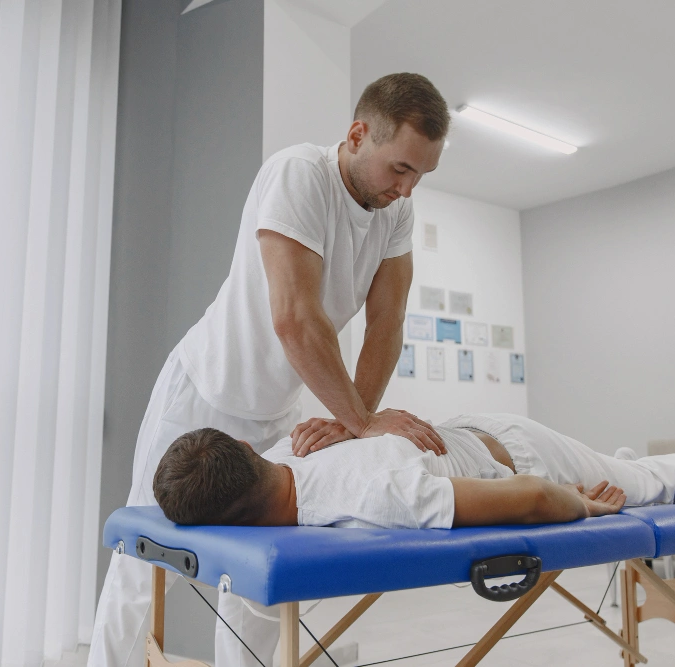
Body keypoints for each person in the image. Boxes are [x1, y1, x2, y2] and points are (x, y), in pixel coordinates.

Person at [89, 73, 453, 667]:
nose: (407, 190)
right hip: (204, 393)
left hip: (278, 411)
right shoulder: (299, 175)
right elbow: (296, 320)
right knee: (145, 561)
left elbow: (387, 326)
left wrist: (350, 420)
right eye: (400, 169)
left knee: (259, 577)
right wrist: (361, 421)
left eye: (420, 175)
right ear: (358, 134)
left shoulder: (395, 216)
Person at [153, 413, 675, 529]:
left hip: (521, 453)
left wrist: (585, 505)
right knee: (617, 476)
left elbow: (533, 500)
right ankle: (614, 468)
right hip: (481, 443)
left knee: (649, 489)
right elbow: (532, 500)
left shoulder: (372, 494)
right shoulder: (283, 456)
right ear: (243, 446)